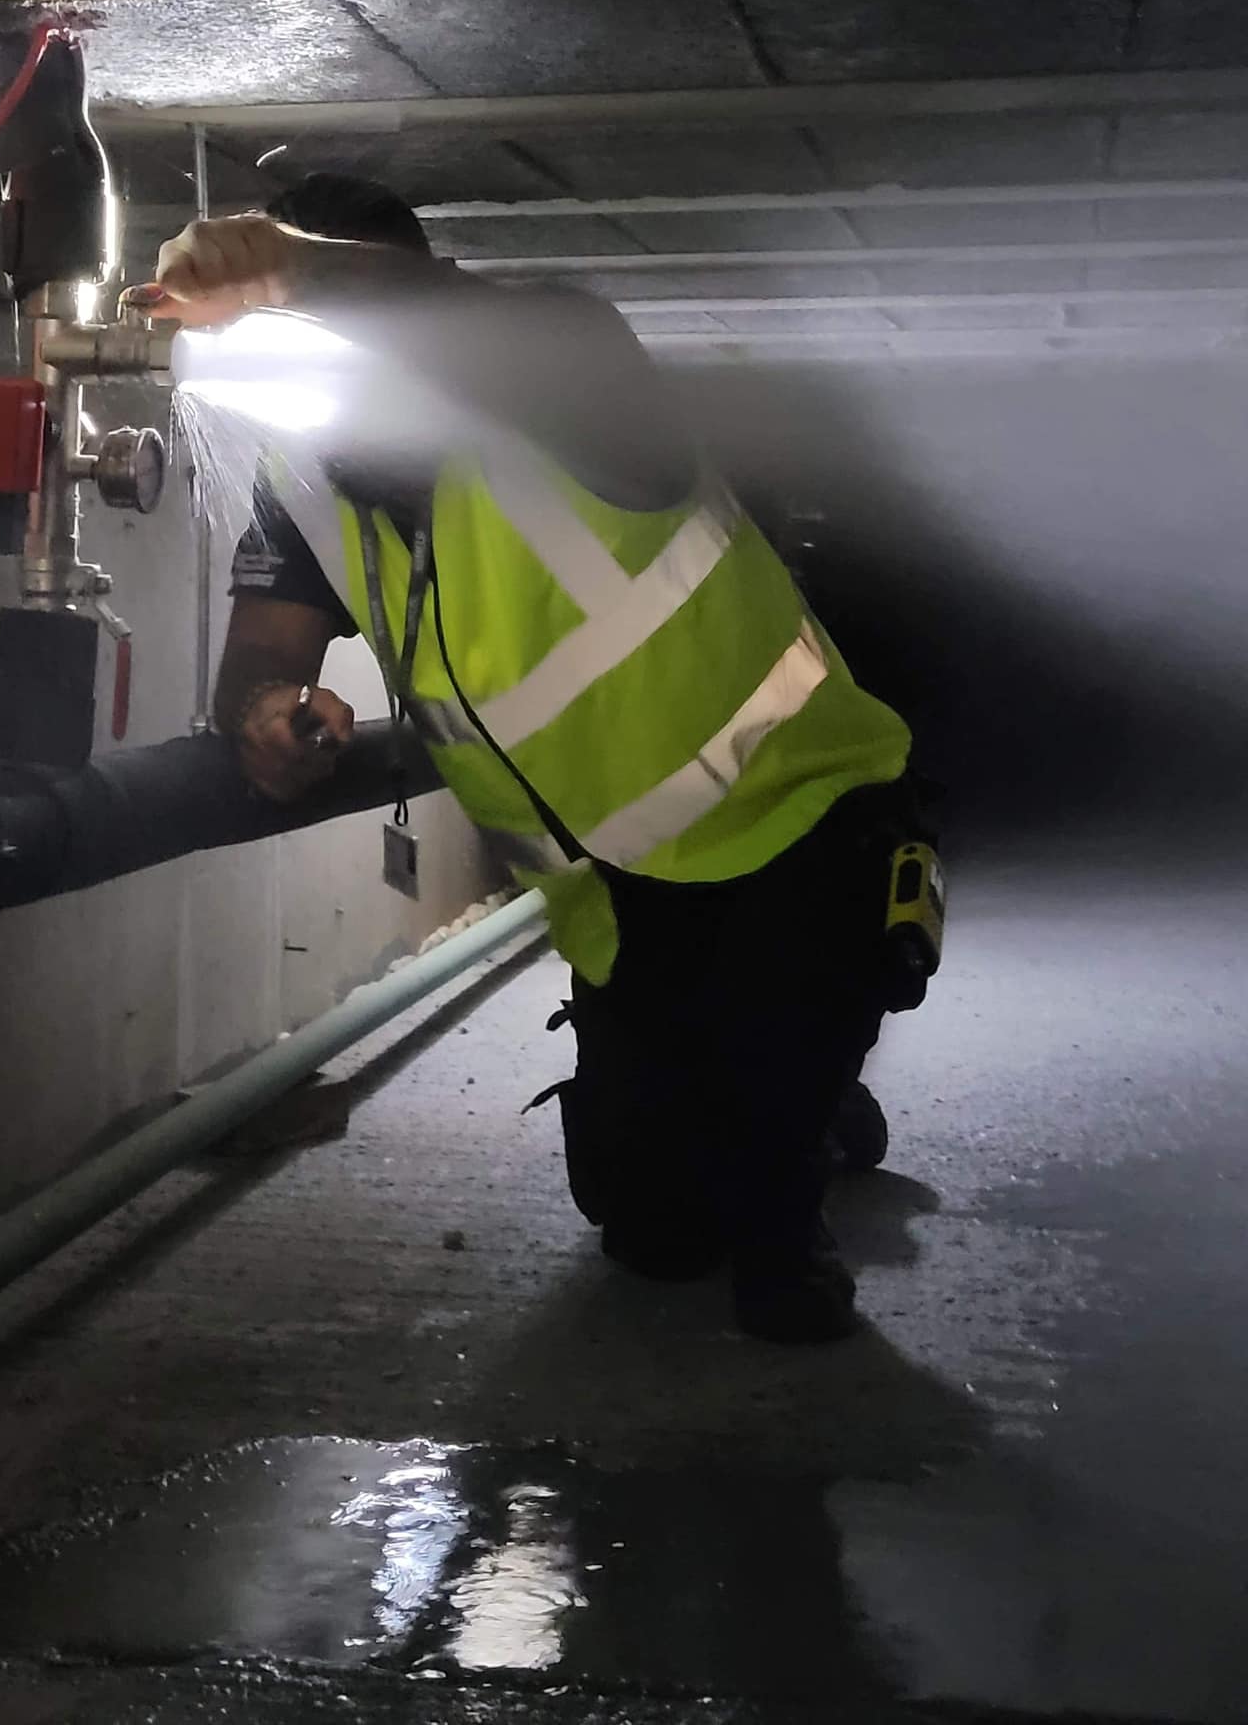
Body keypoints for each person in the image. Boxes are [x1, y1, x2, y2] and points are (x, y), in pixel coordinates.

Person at [144, 173, 918, 1343]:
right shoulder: (302, 481)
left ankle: (796, 1139)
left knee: (767, 1251)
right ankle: (778, 1100)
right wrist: (263, 714)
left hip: (795, 826)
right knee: (650, 1231)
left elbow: (555, 321)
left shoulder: (566, 391)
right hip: (613, 887)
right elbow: (255, 662)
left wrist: (290, 262)